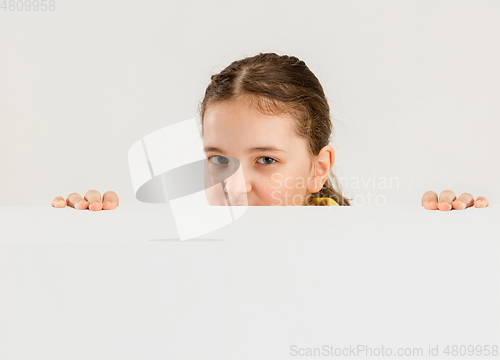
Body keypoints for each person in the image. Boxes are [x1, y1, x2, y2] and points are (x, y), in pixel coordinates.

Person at [51, 53, 489, 210]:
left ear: (319, 170)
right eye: (218, 160)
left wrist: (449, 238)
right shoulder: (179, 245)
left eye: (266, 160)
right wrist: (91, 238)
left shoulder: (363, 255)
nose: (235, 188)